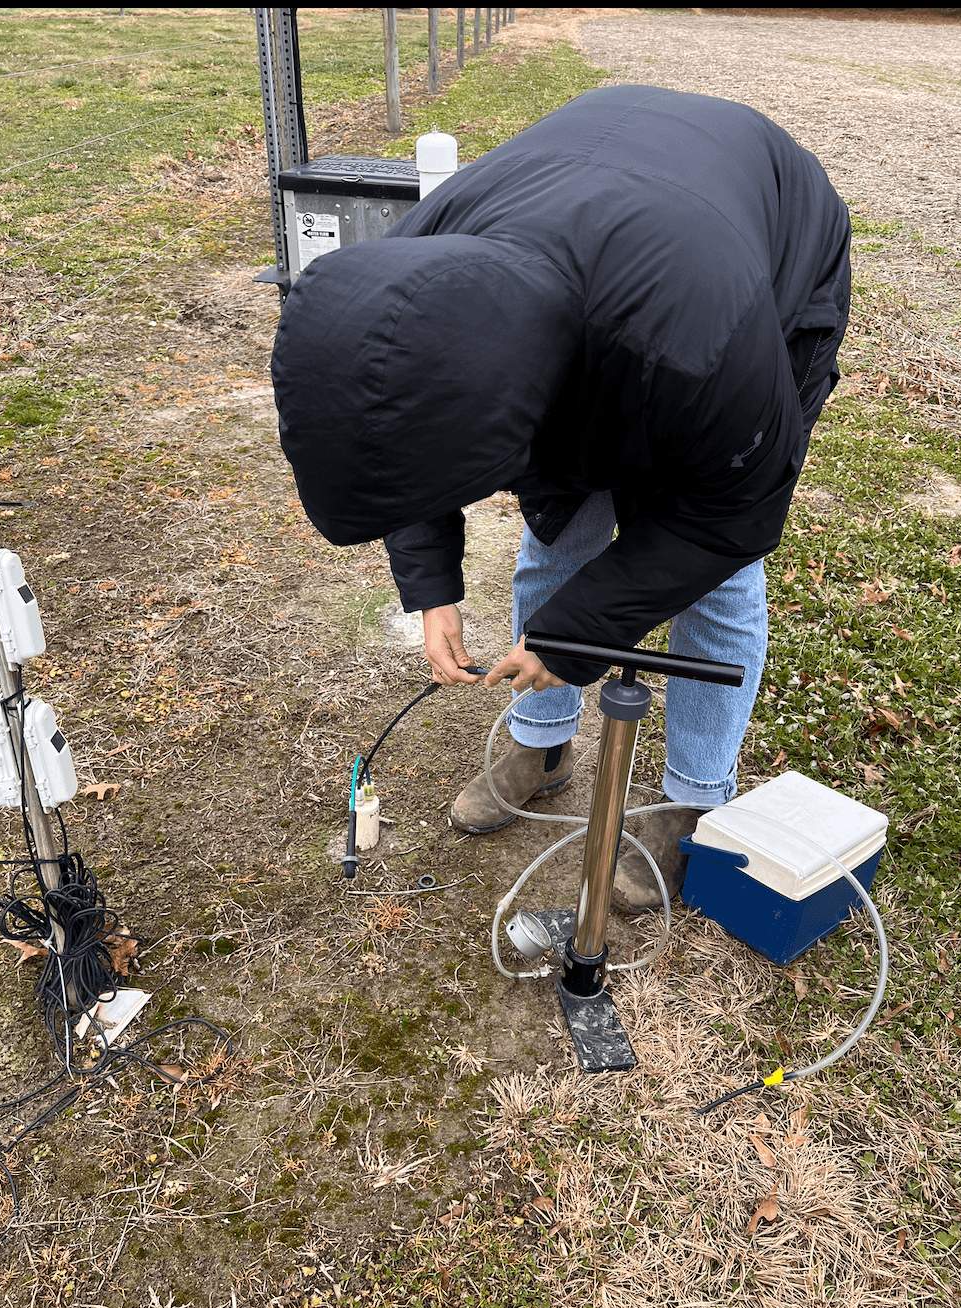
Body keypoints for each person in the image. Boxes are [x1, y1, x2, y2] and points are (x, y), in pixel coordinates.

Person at [271, 85, 850, 910]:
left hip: (757, 239)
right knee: (560, 525)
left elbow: (731, 515)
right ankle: (543, 748)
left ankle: (691, 801)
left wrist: (576, 638)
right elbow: (394, 438)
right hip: (605, 218)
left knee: (714, 576)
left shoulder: (698, 343)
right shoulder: (413, 269)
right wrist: (430, 588)